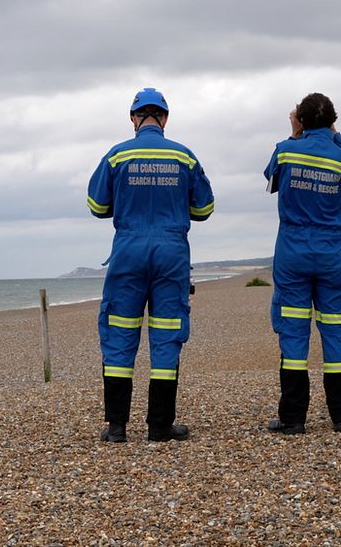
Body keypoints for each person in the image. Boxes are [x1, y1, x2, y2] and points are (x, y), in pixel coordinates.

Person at [87, 88, 215, 443]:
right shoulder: (185, 157)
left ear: (133, 118)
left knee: (118, 336)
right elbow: (204, 209)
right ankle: (159, 426)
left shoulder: (116, 156)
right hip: (171, 253)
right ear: (165, 118)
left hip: (128, 249)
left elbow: (97, 206)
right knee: (166, 336)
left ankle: (116, 427)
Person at [262, 93, 341, 435]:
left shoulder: (286, 149)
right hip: (332, 250)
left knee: (293, 336)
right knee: (336, 333)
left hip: (292, 250)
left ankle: (292, 419)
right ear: (333, 120)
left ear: (301, 120)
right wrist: (336, 136)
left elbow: (270, 179)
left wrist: (295, 134)